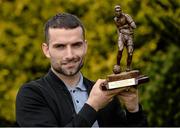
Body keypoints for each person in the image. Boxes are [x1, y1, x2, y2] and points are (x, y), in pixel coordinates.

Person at [16, 12, 147, 127]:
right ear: (46, 50)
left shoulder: (105, 94)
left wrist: (133, 110)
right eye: (60, 46)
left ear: (85, 46)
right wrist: (93, 106)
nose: (70, 55)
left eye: (76, 45)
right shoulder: (32, 94)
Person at [113, 5, 136, 73]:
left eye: (119, 11)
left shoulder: (126, 16)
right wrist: (119, 36)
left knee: (130, 53)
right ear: (115, 12)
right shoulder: (115, 19)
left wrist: (131, 24)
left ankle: (128, 67)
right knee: (120, 49)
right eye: (116, 11)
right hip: (121, 35)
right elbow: (117, 28)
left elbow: (133, 25)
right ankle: (118, 64)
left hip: (129, 35)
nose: (118, 12)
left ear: (121, 11)